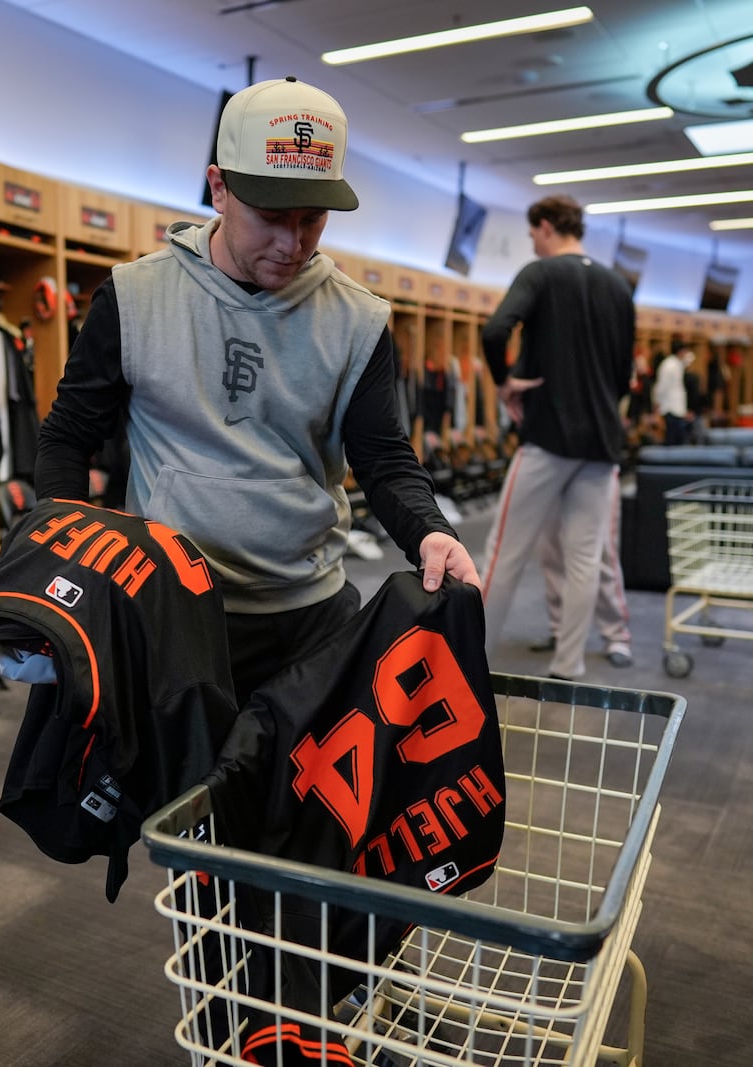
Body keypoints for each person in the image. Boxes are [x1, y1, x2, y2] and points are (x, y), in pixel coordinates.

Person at [35, 77, 477, 704]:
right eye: (270, 217)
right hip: (166, 608)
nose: (292, 243)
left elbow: (383, 458)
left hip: (308, 614)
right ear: (218, 187)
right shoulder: (133, 298)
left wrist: (432, 532)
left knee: (292, 802)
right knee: (174, 801)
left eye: (311, 220)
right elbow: (68, 436)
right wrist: (61, 560)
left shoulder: (359, 320)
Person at [477, 194, 633, 680]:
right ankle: (570, 663)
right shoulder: (618, 287)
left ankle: (468, 660)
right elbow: (625, 375)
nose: (533, 244)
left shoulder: (540, 273)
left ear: (544, 227)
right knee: (586, 557)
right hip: (601, 444)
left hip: (546, 437)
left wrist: (503, 380)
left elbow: (495, 329)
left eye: (532, 235)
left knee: (505, 552)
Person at [530, 474, 633, 668]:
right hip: (552, 461)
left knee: (601, 554)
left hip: (595, 465)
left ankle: (617, 636)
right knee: (550, 551)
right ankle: (560, 630)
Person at [654, 344, 693, 444]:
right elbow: (662, 386)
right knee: (672, 438)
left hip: (677, 409)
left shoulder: (677, 364)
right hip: (670, 408)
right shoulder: (669, 365)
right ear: (680, 351)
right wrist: (657, 402)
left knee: (679, 438)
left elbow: (690, 359)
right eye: (685, 352)